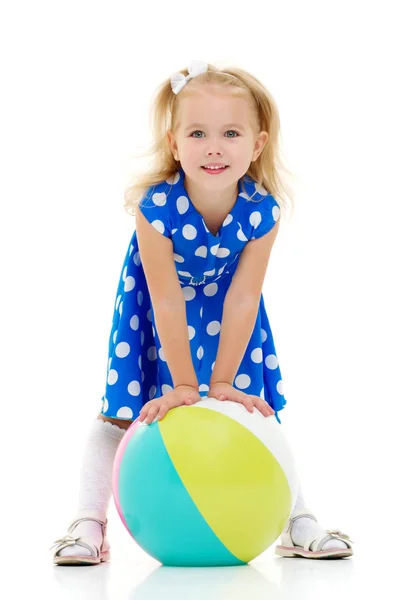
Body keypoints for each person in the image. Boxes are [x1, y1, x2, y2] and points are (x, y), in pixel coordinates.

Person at [50, 60, 354, 565]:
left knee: (253, 411)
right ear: (174, 143)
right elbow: (164, 297)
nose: (214, 147)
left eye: (230, 133)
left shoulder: (262, 211)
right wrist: (186, 387)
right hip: (155, 310)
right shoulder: (156, 208)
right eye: (198, 133)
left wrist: (224, 380)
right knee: (120, 414)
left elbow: (243, 297)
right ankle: (88, 522)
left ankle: (295, 520)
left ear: (256, 145)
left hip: (228, 311)